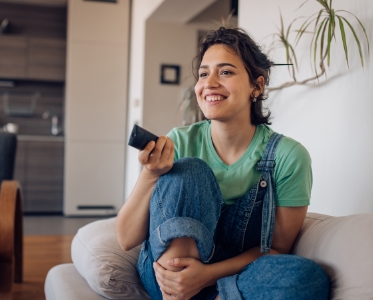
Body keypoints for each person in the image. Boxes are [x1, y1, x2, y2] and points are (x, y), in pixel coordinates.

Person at [116, 27, 330, 300]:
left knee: (307, 279)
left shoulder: (288, 156)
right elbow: (125, 238)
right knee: (191, 170)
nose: (210, 83)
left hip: (231, 276)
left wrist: (207, 276)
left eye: (226, 72)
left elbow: (275, 248)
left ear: (257, 86)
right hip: (167, 278)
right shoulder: (180, 141)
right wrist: (150, 174)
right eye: (204, 73)